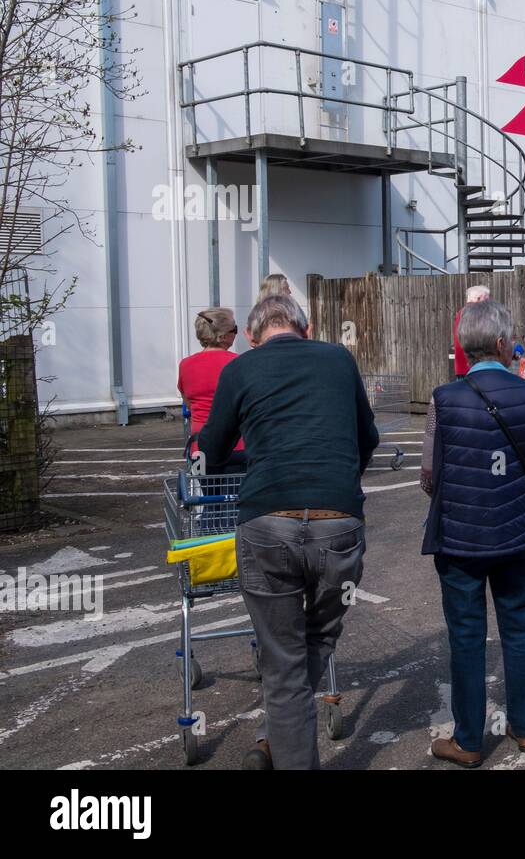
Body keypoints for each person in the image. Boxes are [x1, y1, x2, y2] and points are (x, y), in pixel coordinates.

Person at [198, 294, 378, 770]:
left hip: (266, 527)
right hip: (338, 526)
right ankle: (271, 739)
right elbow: (369, 438)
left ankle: (282, 747)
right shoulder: (339, 359)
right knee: (318, 637)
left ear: (254, 337)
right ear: (308, 326)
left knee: (282, 661)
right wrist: (337, 484)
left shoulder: (240, 369)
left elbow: (212, 449)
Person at [421, 299, 525, 768]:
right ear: (501, 343)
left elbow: (428, 475)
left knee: (467, 636)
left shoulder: (443, 399)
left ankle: (469, 740)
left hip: (461, 538)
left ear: (465, 346)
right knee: (519, 627)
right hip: (518, 533)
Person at [178, 308, 241, 462]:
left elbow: (189, 402)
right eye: (235, 329)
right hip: (236, 445)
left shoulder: (186, 365)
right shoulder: (238, 363)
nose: (236, 334)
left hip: (200, 446)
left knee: (206, 485)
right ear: (223, 336)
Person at [453, 285, 491, 378]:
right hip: (475, 367)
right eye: (487, 299)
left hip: (464, 365)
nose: (489, 303)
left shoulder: (462, 312)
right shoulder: (475, 312)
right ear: (478, 298)